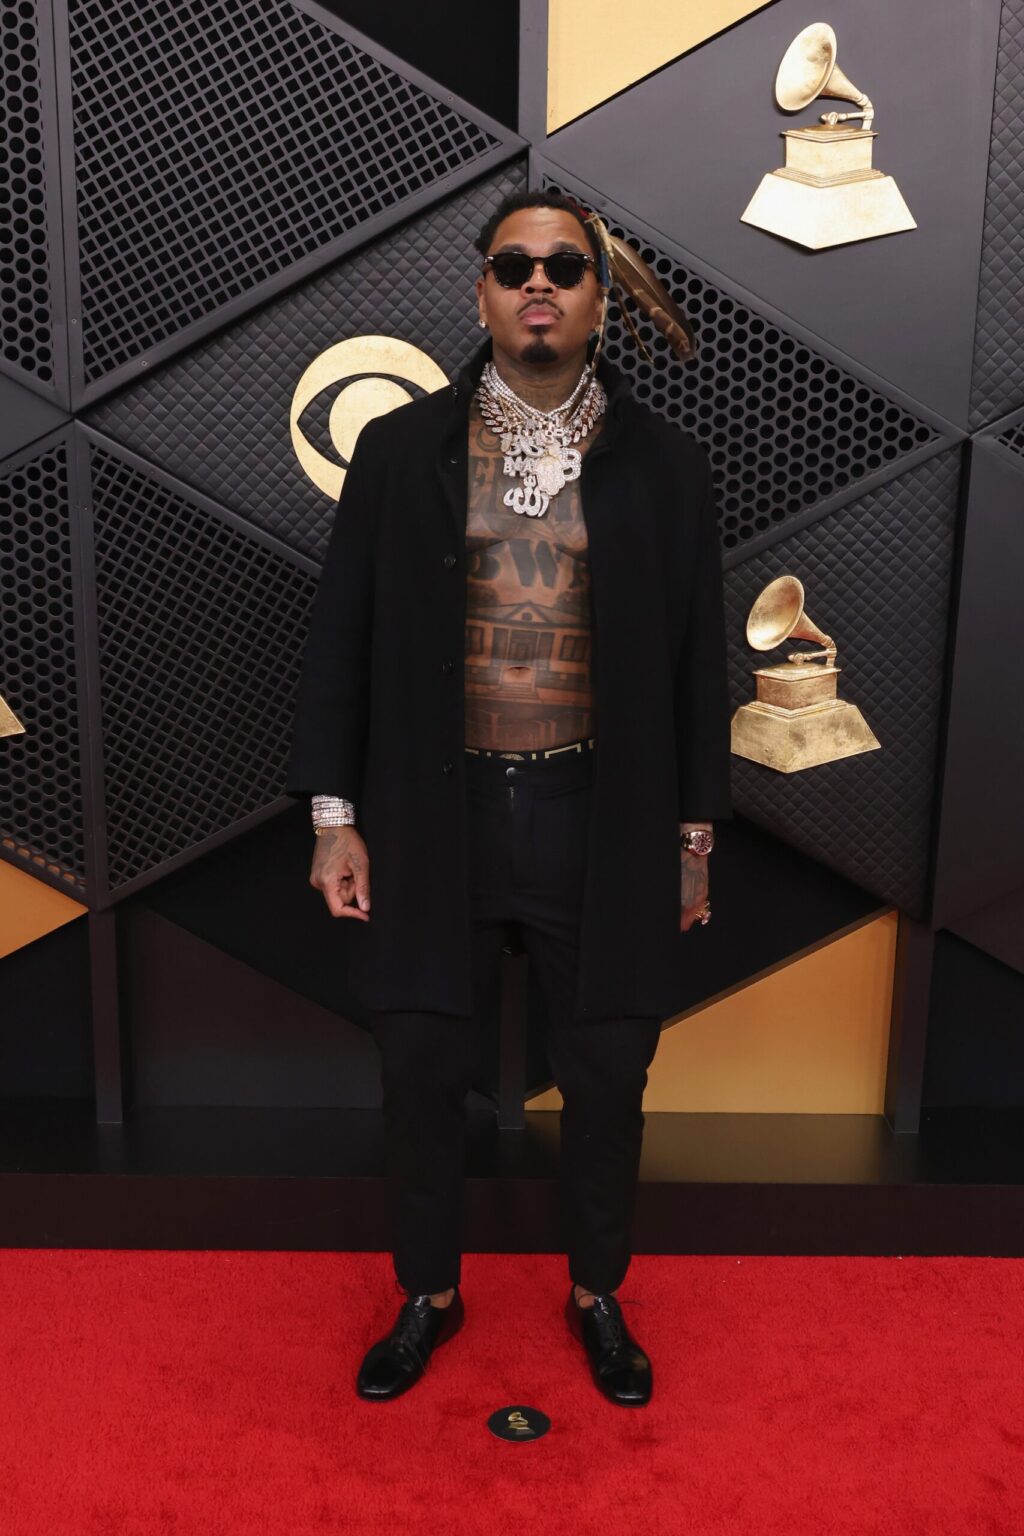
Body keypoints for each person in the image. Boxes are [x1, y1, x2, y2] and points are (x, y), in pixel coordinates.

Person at [286, 189, 732, 1406]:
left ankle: (597, 1293)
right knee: (420, 1074)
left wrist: (692, 839)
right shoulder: (399, 451)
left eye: (566, 266)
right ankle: (427, 1292)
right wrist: (336, 819)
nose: (538, 283)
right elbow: (344, 639)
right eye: (513, 264)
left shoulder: (666, 465)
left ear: (598, 297)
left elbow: (702, 664)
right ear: (480, 290)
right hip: (437, 818)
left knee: (604, 1080)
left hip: (606, 821)